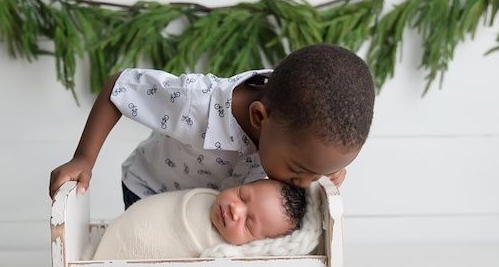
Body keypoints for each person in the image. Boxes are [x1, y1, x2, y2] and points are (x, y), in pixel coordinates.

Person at [49, 43, 375, 208]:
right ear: (260, 118)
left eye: (313, 174)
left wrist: (324, 172)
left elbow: (313, 154)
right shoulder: (195, 104)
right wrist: (83, 158)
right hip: (152, 192)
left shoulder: (298, 124)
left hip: (216, 202)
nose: (303, 183)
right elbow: (119, 87)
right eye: (299, 170)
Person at [92, 179, 306, 260]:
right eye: (242, 195)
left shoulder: (223, 255)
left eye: (248, 223)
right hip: (127, 232)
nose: (235, 210)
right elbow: (151, 219)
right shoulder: (207, 198)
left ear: (258, 244)